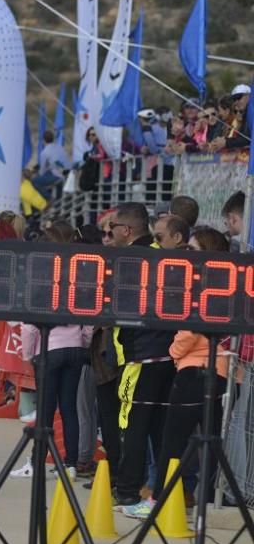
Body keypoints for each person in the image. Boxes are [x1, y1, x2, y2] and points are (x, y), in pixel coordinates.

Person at [122, 227, 233, 519]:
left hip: (192, 372)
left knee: (172, 441)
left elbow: (190, 330)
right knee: (210, 443)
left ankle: (158, 499)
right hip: (219, 372)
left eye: (193, 250)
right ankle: (205, 502)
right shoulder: (228, 284)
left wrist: (173, 353)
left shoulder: (203, 285)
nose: (187, 255)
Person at [106, 202, 177, 508]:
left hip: (140, 359)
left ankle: (127, 489)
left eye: (112, 228)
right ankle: (162, 490)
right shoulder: (165, 258)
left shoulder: (127, 261)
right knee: (160, 429)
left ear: (127, 229)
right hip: (167, 358)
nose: (110, 234)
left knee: (132, 427)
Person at [13, 226, 92, 480]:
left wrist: (27, 356)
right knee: (69, 408)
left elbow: (28, 325)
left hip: (50, 350)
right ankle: (70, 464)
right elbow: (89, 318)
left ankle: (37, 461)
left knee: (45, 410)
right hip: (76, 348)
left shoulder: (41, 278)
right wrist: (84, 342)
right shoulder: (79, 276)